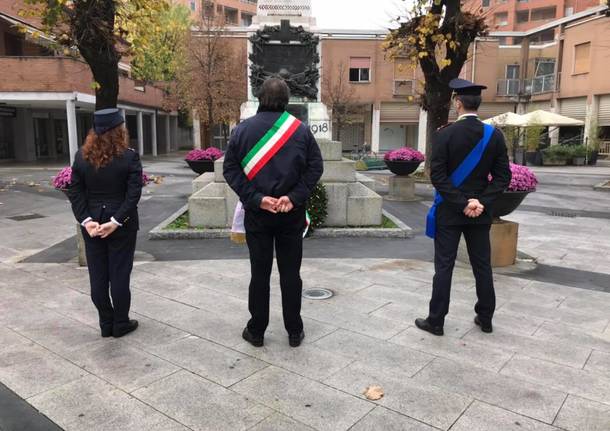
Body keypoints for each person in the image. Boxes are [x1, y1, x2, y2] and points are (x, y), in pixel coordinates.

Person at [224, 78, 323, 348]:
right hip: (290, 214)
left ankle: (256, 331)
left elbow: (230, 170)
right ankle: (294, 331)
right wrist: (293, 197)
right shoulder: (300, 131)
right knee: (291, 274)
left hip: (259, 214)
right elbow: (316, 167)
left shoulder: (242, 130)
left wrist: (256, 199)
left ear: (259, 98)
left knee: (260, 273)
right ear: (286, 100)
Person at [416, 78, 511, 336]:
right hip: (480, 213)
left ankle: (436, 321)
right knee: (482, 266)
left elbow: (438, 176)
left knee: (444, 267)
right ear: (477, 104)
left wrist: (461, 202)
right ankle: (486, 318)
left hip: (450, 211)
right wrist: (480, 202)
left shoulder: (444, 134)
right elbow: (503, 177)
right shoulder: (494, 136)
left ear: (458, 103)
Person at [68, 108, 142, 338]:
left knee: (98, 277)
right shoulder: (129, 156)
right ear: (119, 130)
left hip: (93, 225)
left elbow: (75, 191)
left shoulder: (81, 156)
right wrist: (116, 221)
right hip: (121, 225)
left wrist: (87, 221)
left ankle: (105, 323)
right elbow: (133, 195)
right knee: (120, 275)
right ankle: (120, 323)